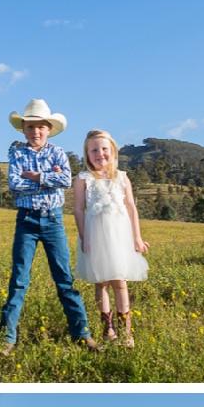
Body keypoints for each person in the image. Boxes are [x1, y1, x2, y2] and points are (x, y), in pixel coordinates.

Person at [0, 98, 97, 353]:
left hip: (53, 221)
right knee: (19, 279)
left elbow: (65, 179)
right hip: (27, 221)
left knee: (64, 278)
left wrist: (36, 176)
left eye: (40, 127)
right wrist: (48, 179)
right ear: (23, 129)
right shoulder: (17, 153)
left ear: (49, 129)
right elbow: (14, 185)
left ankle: (82, 333)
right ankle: (7, 338)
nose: (36, 132)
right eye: (30, 127)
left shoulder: (58, 152)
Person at [73, 130, 149, 347]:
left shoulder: (122, 177)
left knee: (120, 282)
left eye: (104, 149)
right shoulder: (83, 179)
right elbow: (78, 210)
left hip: (120, 236)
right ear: (87, 154)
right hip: (94, 236)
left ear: (113, 151)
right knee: (101, 283)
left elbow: (131, 207)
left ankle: (126, 332)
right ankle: (108, 330)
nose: (100, 154)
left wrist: (137, 237)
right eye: (94, 150)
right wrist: (84, 237)